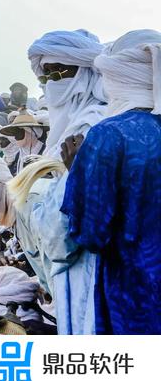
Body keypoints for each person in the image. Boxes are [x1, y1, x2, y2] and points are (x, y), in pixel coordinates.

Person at [61, 29, 161, 334]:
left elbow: (90, 232)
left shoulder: (109, 135)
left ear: (116, 76)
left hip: (137, 296)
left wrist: (75, 171)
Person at [28, 29, 107, 157]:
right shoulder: (60, 119)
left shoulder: (98, 119)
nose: (51, 80)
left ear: (82, 72)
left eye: (59, 70)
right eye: (46, 73)